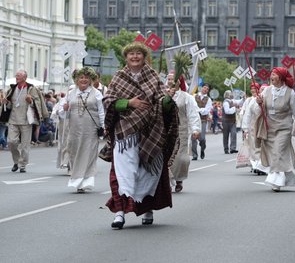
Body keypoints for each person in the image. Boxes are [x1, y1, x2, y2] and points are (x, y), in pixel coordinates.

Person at [102, 42, 179, 229]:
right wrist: (129, 103)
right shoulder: (119, 77)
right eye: (131, 54)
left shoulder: (153, 76)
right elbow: (108, 101)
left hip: (150, 130)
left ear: (144, 57)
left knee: (148, 171)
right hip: (125, 133)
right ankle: (120, 213)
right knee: (122, 173)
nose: (135, 57)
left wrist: (168, 99)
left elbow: (162, 102)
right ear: (126, 57)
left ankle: (147, 209)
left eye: (138, 54)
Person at [254, 67, 295, 192]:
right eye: (271, 74)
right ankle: (283, 178)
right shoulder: (266, 91)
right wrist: (258, 103)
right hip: (269, 128)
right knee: (274, 155)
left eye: (274, 75)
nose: (271, 77)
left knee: (278, 152)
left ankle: (276, 182)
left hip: (284, 128)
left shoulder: (290, 93)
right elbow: (257, 110)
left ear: (281, 77)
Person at [59, 67, 105, 192]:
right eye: (81, 77)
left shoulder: (96, 93)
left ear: (90, 80)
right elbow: (62, 114)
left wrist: (103, 127)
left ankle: (86, 181)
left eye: (86, 78)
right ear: (77, 80)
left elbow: (101, 112)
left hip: (90, 130)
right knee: (74, 153)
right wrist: (65, 108)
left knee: (89, 154)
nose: (83, 80)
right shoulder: (71, 93)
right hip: (74, 130)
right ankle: (77, 179)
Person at [1, 69, 48, 173]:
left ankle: (23, 165)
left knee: (25, 145)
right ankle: (16, 161)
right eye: (16, 75)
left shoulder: (31, 89)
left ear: (24, 78)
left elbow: (37, 104)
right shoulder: (12, 88)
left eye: (18, 75)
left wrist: (30, 101)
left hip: (27, 120)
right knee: (11, 142)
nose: (16, 77)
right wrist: (5, 102)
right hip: (13, 119)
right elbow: (10, 105)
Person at [170, 75, 201, 193]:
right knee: (165, 157)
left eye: (173, 79)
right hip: (165, 132)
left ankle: (179, 179)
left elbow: (193, 114)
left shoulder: (186, 97)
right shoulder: (162, 95)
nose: (170, 81)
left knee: (181, 158)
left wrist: (195, 129)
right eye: (168, 79)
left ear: (179, 82)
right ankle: (167, 180)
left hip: (181, 131)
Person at [241, 83, 268, 173]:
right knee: (255, 146)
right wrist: (245, 128)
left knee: (266, 147)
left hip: (268, 127)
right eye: (262, 89)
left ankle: (264, 165)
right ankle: (257, 164)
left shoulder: (269, 100)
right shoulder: (252, 101)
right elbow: (247, 114)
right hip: (254, 127)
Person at [192, 83, 212, 160]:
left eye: (207, 89)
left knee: (202, 138)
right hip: (194, 119)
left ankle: (202, 148)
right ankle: (194, 155)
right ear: (201, 88)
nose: (205, 89)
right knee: (193, 137)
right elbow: (192, 106)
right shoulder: (194, 96)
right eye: (204, 88)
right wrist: (198, 110)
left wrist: (199, 110)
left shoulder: (208, 99)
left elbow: (207, 110)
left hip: (203, 120)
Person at [222, 90, 243, 154]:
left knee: (234, 134)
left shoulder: (232, 101)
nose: (232, 94)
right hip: (226, 121)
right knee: (226, 135)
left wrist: (243, 97)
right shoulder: (225, 102)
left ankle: (233, 148)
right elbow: (227, 111)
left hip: (232, 121)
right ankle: (226, 148)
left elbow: (239, 102)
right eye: (230, 94)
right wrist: (235, 108)